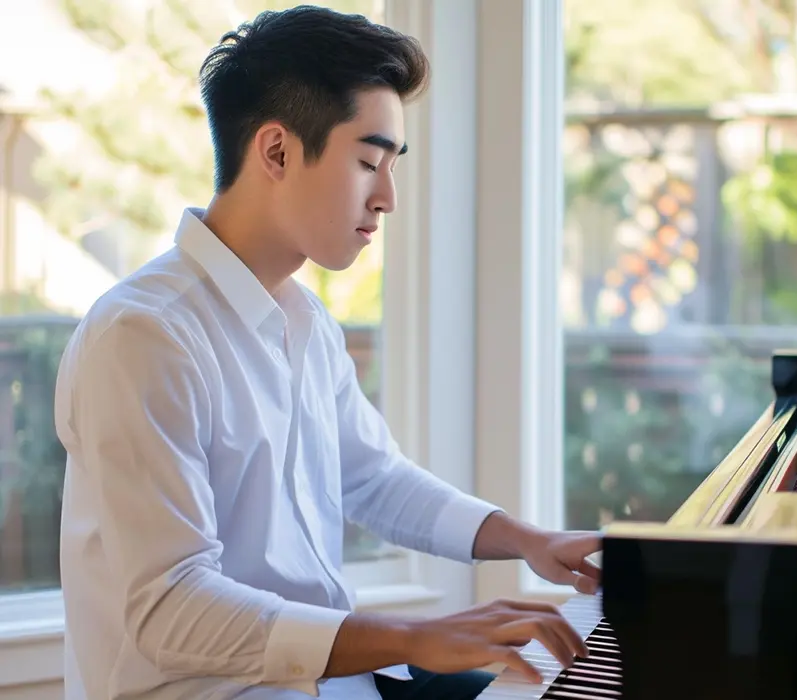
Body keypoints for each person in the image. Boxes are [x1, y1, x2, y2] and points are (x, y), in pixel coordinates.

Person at [53, 6, 601, 700]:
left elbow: (370, 477)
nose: (389, 197)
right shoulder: (142, 337)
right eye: (369, 161)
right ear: (277, 151)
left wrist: (528, 540)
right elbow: (169, 608)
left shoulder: (306, 319)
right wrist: (412, 636)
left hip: (335, 685)